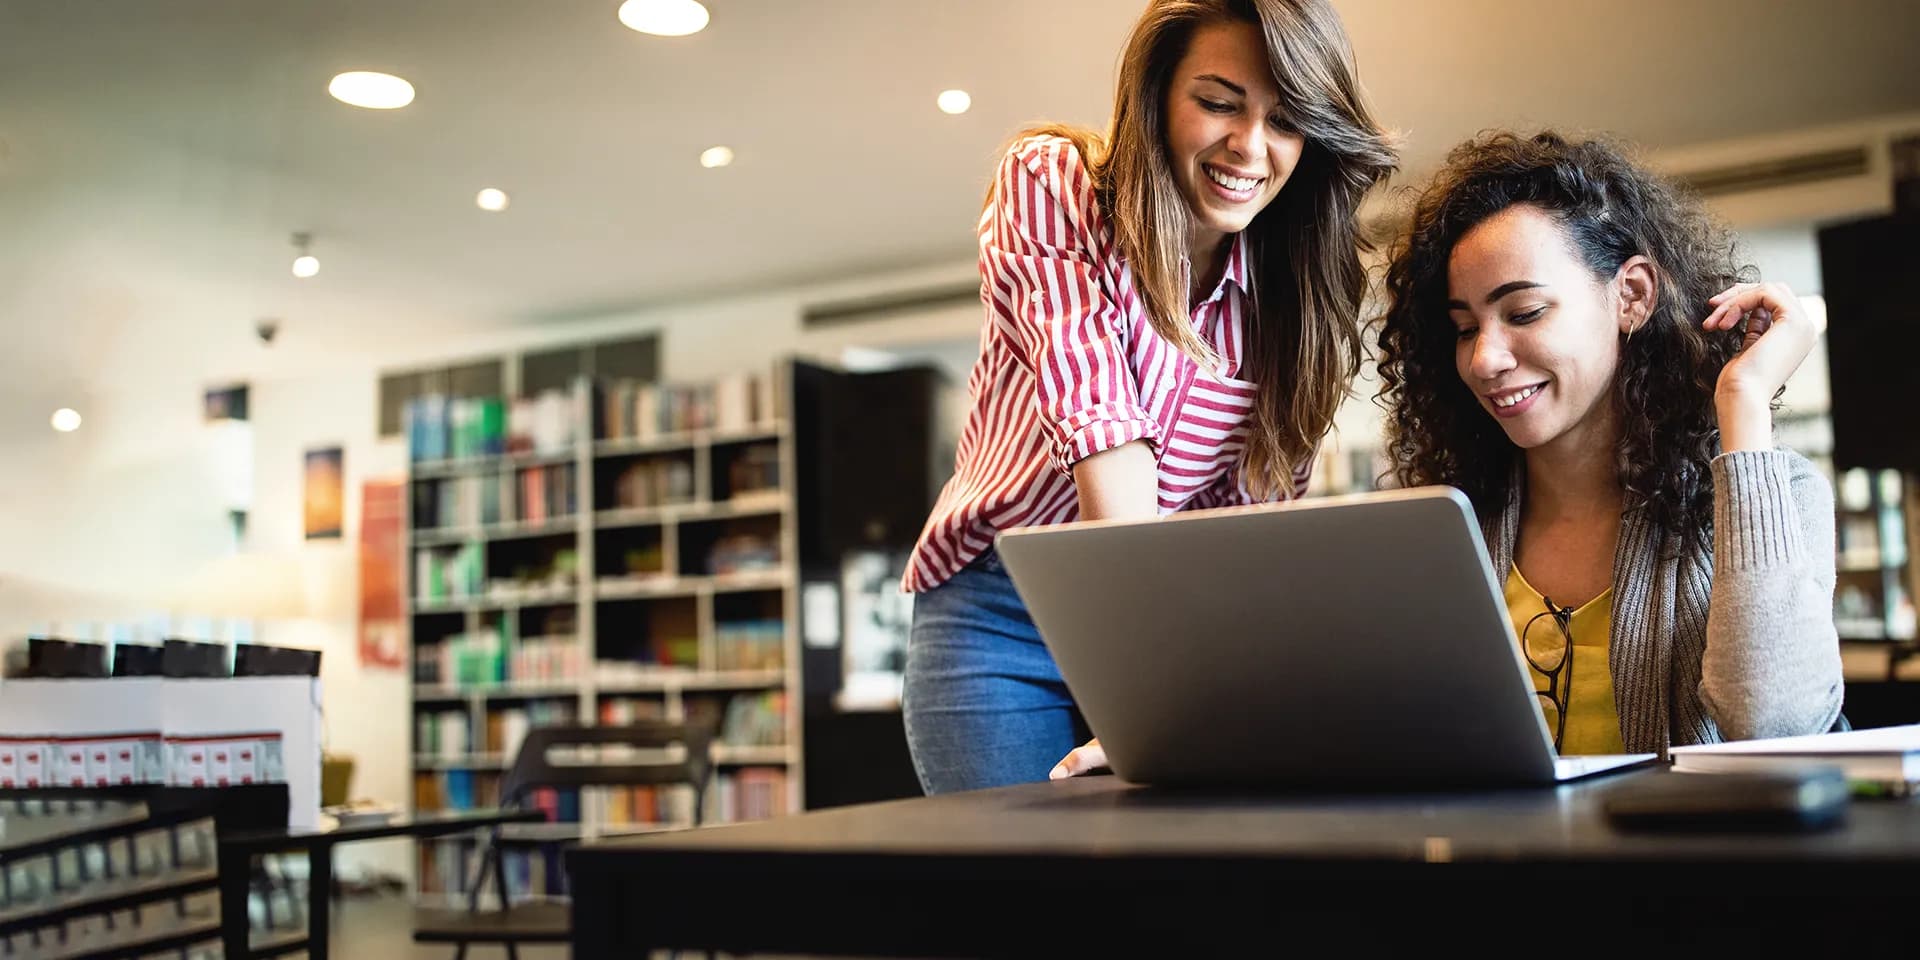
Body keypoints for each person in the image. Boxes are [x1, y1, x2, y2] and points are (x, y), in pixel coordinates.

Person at [1051, 130, 1844, 778]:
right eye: (1465, 327)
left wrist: (1740, 404)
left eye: (1523, 311)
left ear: (1631, 295)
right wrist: (1178, 740)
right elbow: (1343, 707)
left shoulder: (1769, 497)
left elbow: (1773, 723)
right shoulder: (1444, 512)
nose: (1485, 359)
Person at [901, 0, 1397, 794]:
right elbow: (1103, 430)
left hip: (1170, 629)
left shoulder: (1290, 294)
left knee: (1153, 899)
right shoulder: (1055, 184)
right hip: (1002, 619)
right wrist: (1144, 695)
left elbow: (1243, 535)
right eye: (1218, 102)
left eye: (1286, 120)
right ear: (1158, 95)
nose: (1250, 147)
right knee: (1012, 902)